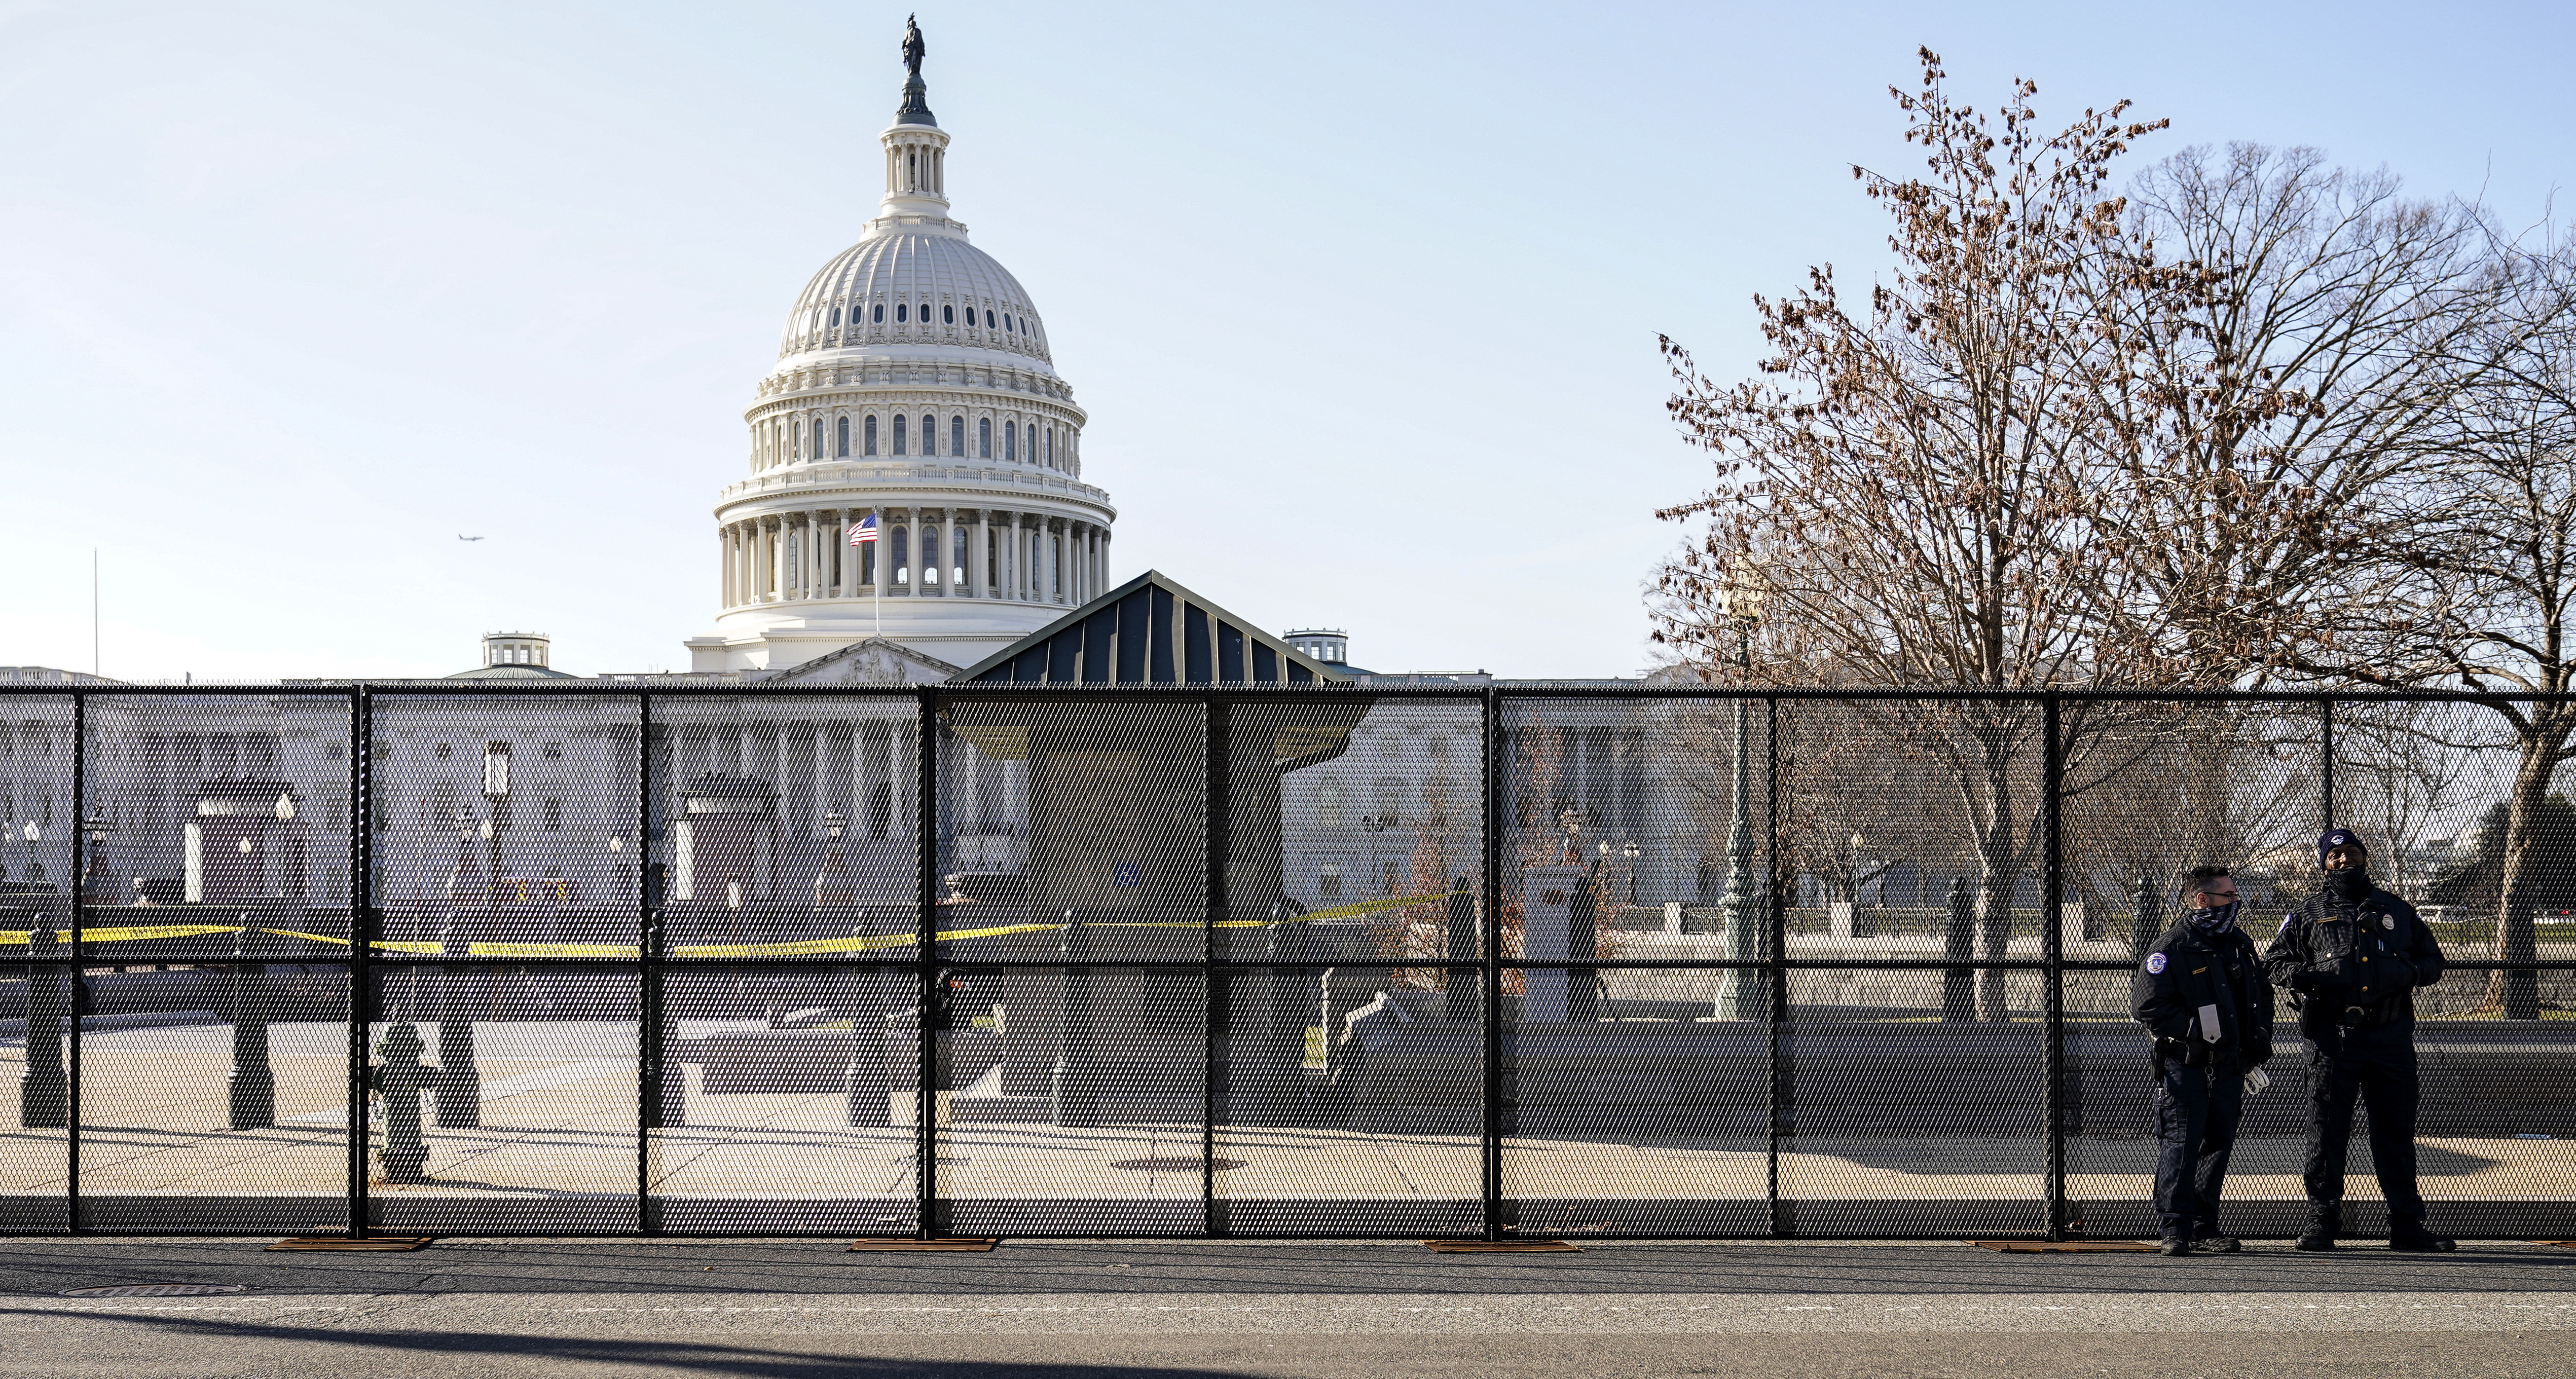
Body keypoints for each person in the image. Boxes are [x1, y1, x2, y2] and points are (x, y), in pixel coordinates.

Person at [2263, 827, 2457, 1252]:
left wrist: (2404, 973)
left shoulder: (2397, 909)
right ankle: (2321, 1222)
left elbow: (2433, 962)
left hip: (2390, 1039)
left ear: (2364, 858)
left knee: (2396, 1134)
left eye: (2351, 852)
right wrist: (2307, 978)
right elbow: (2275, 962)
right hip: (2334, 1041)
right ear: (2324, 864)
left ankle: (2407, 1225)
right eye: (2334, 856)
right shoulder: (2308, 913)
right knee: (2327, 1133)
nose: (2343, 861)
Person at [2132, 865, 2273, 1255]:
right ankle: (2175, 1228)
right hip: (2187, 1066)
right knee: (2181, 1141)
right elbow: (2148, 1006)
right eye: (2229, 896)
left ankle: (2203, 1225)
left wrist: (2259, 1037)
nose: (2236, 902)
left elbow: (2262, 993)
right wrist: (2195, 1026)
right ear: (2202, 899)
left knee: (2218, 1142)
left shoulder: (2239, 943)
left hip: (2230, 1066)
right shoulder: (2172, 947)